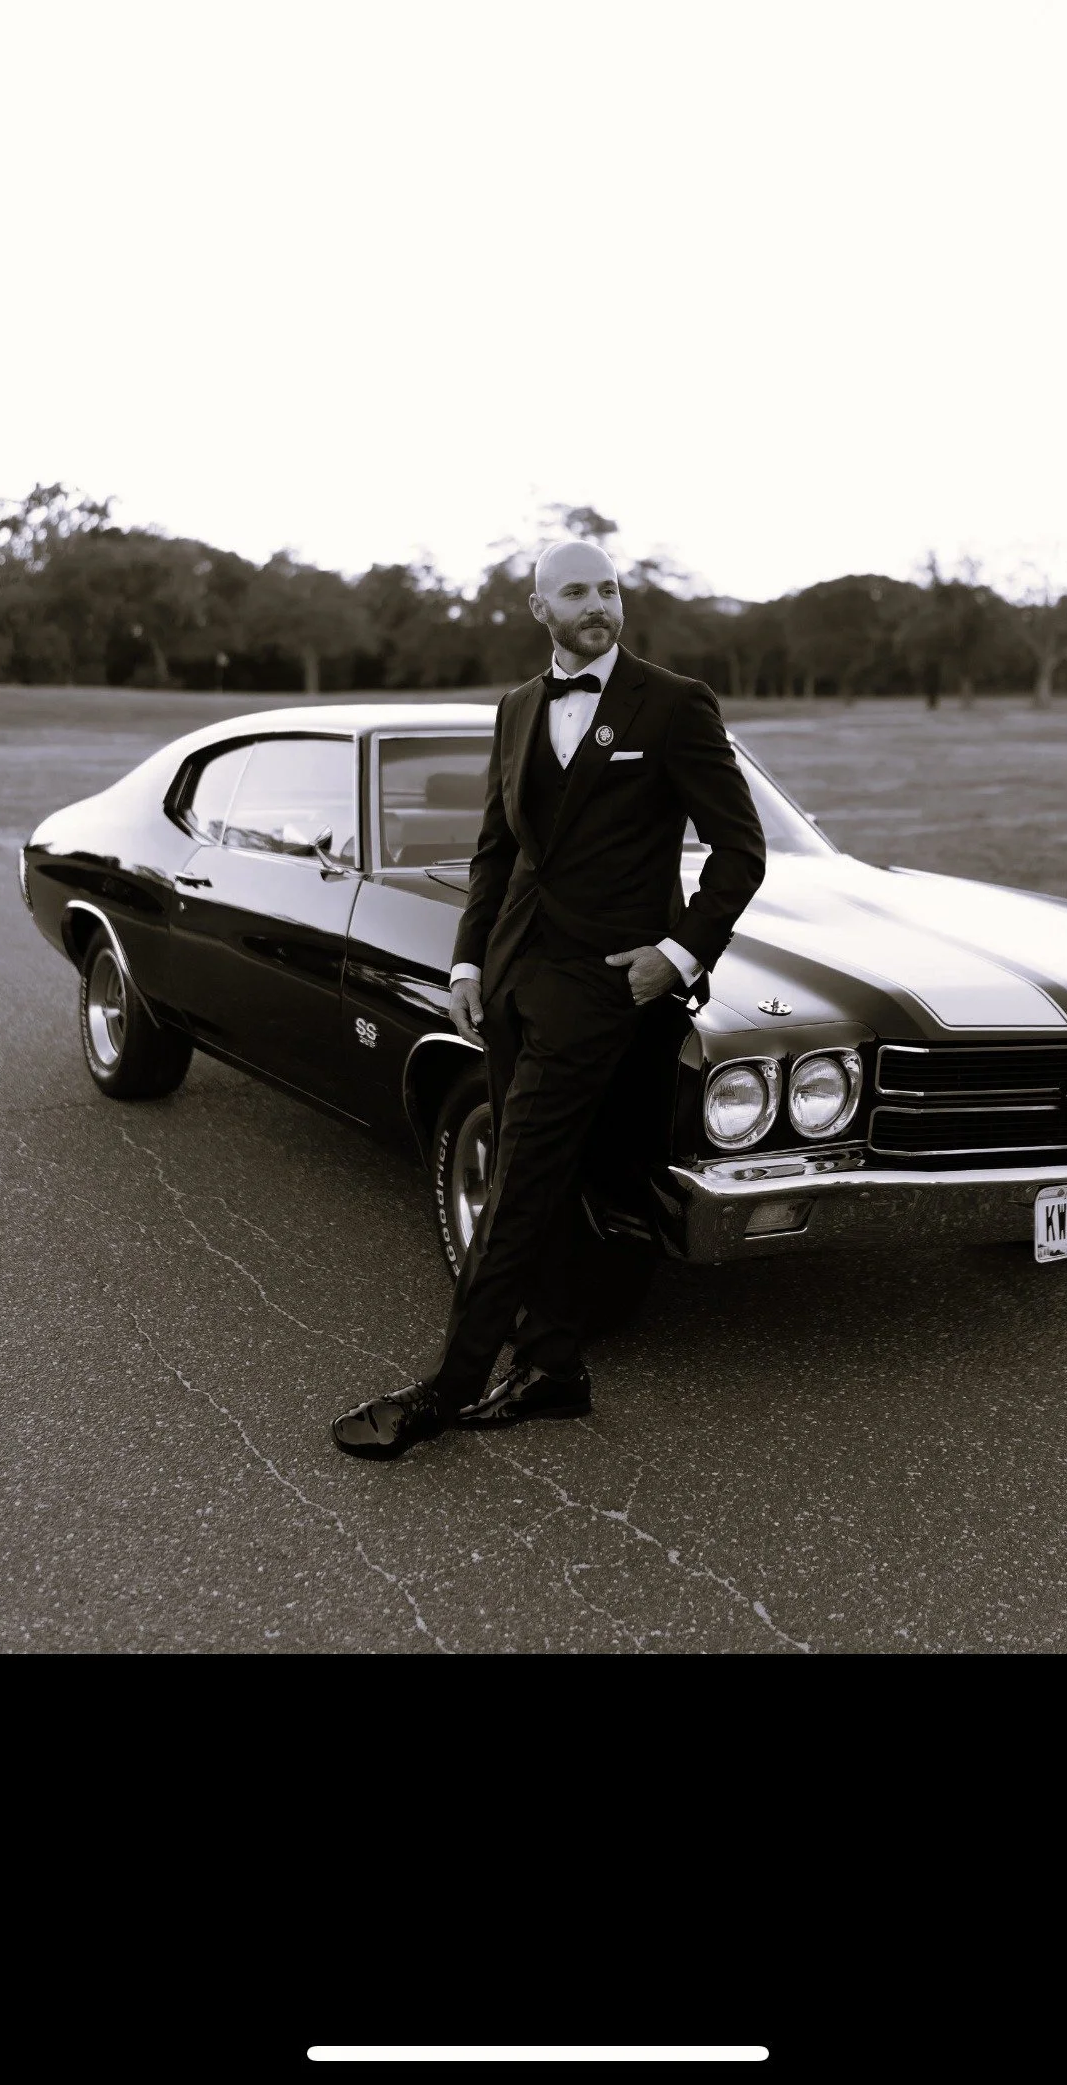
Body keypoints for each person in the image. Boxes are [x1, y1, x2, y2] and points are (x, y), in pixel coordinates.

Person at [332, 537, 767, 1459]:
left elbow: (741, 852)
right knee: (550, 1181)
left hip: (605, 985)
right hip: (512, 977)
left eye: (609, 588)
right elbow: (498, 849)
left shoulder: (675, 703)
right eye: (576, 592)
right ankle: (553, 1368)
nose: (598, 604)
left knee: (520, 1179)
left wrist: (678, 955)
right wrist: (466, 965)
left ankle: (446, 1390)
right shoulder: (518, 707)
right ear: (541, 609)